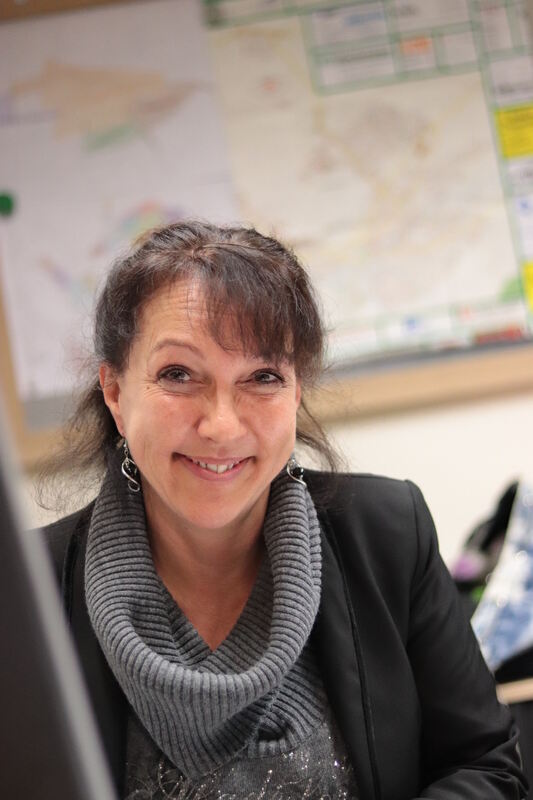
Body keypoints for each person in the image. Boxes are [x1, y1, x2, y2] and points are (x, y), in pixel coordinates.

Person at [41, 221, 527, 800]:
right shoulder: (30, 588)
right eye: (178, 374)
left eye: (263, 377)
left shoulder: (388, 533)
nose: (221, 426)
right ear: (116, 393)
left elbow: (488, 766)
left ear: (296, 392)